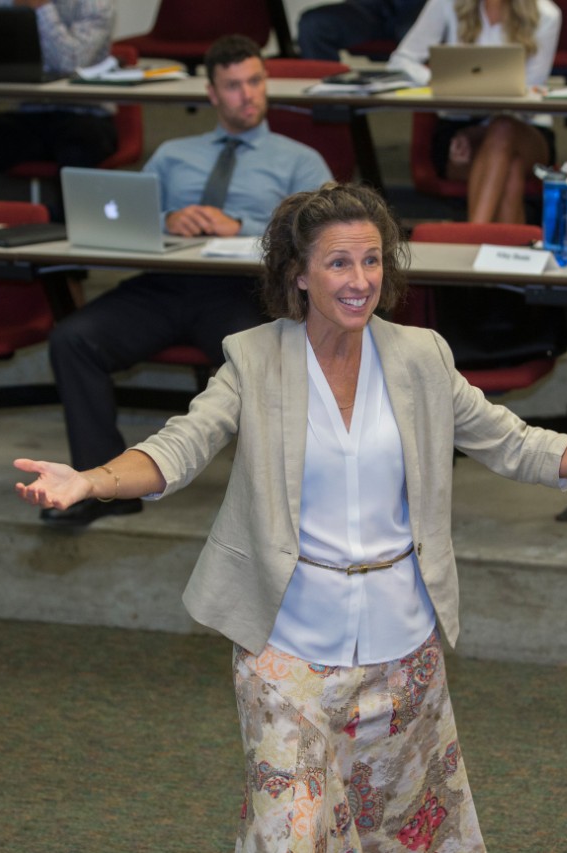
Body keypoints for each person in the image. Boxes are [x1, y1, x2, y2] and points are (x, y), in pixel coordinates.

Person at [15, 182, 567, 851]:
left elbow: (517, 444)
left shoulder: (421, 357)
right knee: (292, 829)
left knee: (398, 831)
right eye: (339, 261)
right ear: (298, 275)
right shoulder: (253, 359)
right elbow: (178, 447)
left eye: (373, 258)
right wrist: (91, 480)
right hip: (288, 644)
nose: (360, 278)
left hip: (402, 648)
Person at [41, 34, 332, 528]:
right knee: (73, 338)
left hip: (242, 291)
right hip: (166, 285)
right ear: (213, 94)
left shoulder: (299, 160)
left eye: (255, 81)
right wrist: (168, 219)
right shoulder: (175, 153)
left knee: (260, 358)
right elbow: (133, 217)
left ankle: (278, 503)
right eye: (234, 86)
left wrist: (241, 226)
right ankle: (107, 490)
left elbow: (325, 236)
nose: (248, 94)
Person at [387, 0, 561, 224]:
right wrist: (438, 79)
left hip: (524, 130)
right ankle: (505, 250)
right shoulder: (445, 4)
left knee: (503, 129)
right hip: (457, 129)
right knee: (510, 172)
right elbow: (401, 61)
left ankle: (470, 239)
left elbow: (529, 92)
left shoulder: (546, 14)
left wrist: (477, 133)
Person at [0, 0, 117, 206]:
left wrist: (41, 7)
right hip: (30, 112)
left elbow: (70, 62)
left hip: (86, 113)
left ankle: (66, 231)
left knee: (76, 153)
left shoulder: (96, 5)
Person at [298, 0, 429, 61]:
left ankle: (437, 111)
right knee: (314, 25)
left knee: (414, 36)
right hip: (368, 8)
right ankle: (330, 109)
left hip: (424, 7)